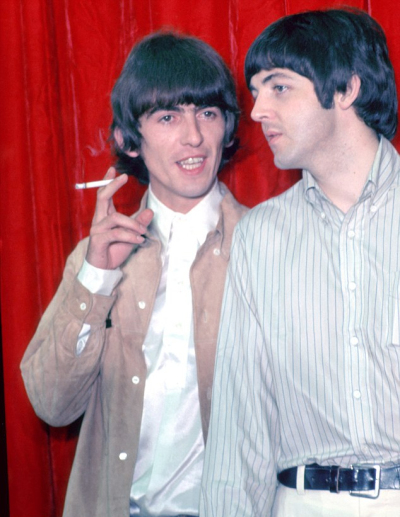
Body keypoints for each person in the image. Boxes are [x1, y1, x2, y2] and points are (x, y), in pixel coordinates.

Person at [21, 32, 247, 517]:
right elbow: (52, 405)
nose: (193, 137)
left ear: (228, 127)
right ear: (129, 140)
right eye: (167, 117)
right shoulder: (97, 259)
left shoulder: (263, 246)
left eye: (208, 113)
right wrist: (95, 277)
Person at [200, 8, 400, 517]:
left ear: (346, 89)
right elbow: (240, 429)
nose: (257, 111)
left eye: (279, 87)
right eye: (255, 92)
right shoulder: (259, 237)